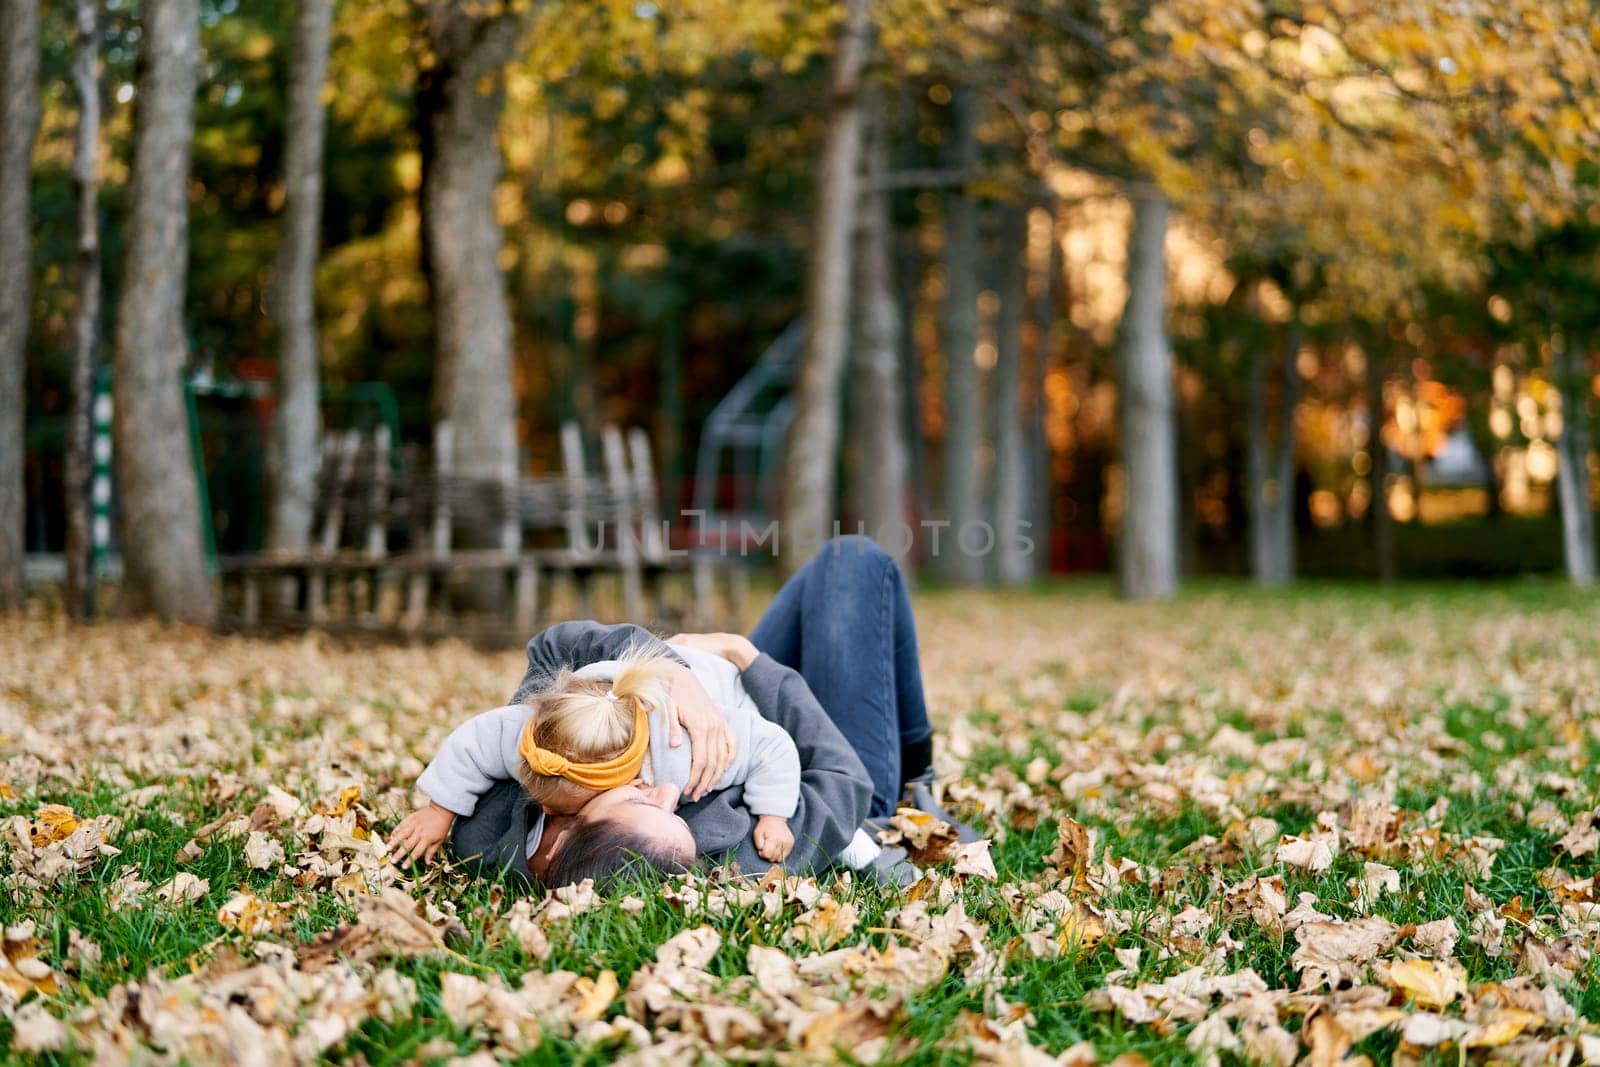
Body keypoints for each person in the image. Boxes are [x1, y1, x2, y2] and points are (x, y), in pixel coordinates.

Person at [426, 535, 944, 889]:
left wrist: (676, 674)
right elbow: (836, 779)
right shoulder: (717, 852)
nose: (656, 790)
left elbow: (555, 649)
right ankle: (915, 766)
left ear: (560, 828)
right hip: (828, 773)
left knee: (838, 565)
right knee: (851, 560)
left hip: (727, 700)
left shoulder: (503, 811)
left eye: (614, 794)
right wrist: (746, 657)